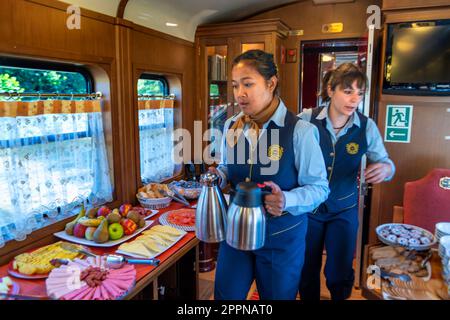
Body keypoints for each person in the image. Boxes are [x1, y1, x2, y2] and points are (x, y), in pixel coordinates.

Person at [210, 49, 329, 300]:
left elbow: (320, 188)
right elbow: (227, 167)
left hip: (281, 238)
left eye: (248, 84)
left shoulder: (301, 131)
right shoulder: (232, 125)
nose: (239, 93)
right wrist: (219, 177)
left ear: (271, 83)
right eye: (234, 86)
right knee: (225, 295)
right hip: (237, 231)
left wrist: (287, 199)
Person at [298, 63, 395, 300]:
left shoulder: (366, 126)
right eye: (347, 91)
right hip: (308, 210)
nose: (354, 99)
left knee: (339, 270)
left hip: (344, 209)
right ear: (330, 90)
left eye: (359, 93)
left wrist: (385, 168)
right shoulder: (305, 120)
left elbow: (386, 162)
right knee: (305, 266)